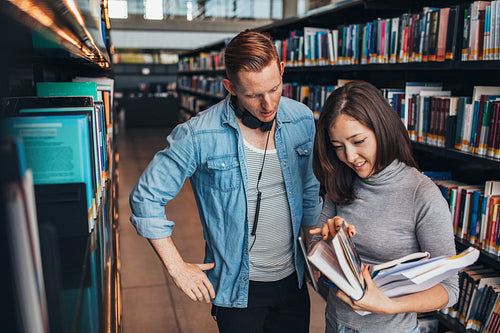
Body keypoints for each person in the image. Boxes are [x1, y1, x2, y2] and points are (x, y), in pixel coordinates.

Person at [129, 29, 322, 333]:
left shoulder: (301, 119)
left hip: (294, 281)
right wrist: (177, 268)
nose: (268, 104)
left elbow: (310, 192)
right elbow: (145, 199)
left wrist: (319, 253)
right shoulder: (199, 134)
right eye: (253, 95)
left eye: (274, 88)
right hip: (237, 291)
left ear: (282, 70)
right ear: (230, 87)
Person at [310, 81, 459, 333]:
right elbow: (314, 250)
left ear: (382, 130)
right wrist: (330, 238)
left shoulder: (421, 195)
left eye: (358, 141)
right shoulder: (341, 180)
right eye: (338, 147)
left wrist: (387, 305)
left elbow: (449, 289)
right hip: (336, 322)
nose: (350, 157)